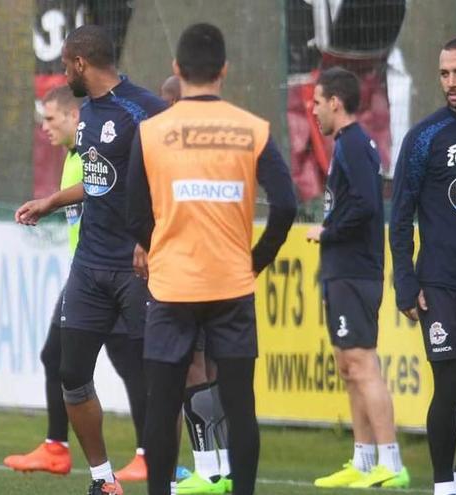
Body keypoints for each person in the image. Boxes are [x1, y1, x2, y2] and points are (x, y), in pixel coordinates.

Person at [126, 23, 297, 495]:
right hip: (231, 285)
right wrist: (256, 261)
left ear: (178, 70)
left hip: (171, 285)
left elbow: (131, 212)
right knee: (240, 405)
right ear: (224, 70)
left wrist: (160, 247)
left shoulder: (152, 131)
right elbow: (285, 204)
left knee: (161, 406)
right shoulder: (252, 129)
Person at [16, 24, 168, 495]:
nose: (63, 73)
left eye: (65, 65)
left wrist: (150, 238)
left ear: (81, 64)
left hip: (134, 267)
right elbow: (102, 179)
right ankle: (103, 479)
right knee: (70, 372)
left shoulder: (145, 110)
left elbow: (169, 181)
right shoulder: (87, 114)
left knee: (158, 373)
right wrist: (52, 201)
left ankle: (179, 473)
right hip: (89, 267)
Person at [307, 67, 409, 489]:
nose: (312, 111)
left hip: (354, 271)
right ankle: (364, 460)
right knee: (349, 366)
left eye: (316, 102)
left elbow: (368, 205)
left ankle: (392, 461)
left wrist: (328, 231)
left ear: (335, 102)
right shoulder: (346, 145)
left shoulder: (353, 144)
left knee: (362, 364)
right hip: (342, 270)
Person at [390, 36, 456, 495]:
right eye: (444, 74)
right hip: (439, 283)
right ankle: (442, 487)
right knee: (451, 384)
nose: (451, 83)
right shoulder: (423, 138)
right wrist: (405, 281)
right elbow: (400, 215)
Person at [156, 75, 233, 495]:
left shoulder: (177, 149)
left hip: (190, 270)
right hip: (222, 269)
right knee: (212, 368)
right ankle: (223, 466)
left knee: (192, 367)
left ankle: (211, 471)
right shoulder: (220, 141)